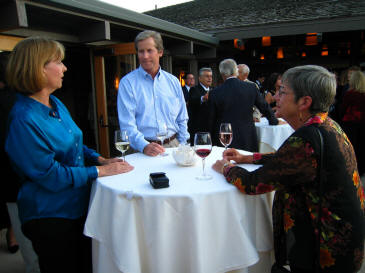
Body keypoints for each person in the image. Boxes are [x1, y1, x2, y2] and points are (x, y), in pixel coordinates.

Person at [212, 65, 365, 273]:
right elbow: (286, 160)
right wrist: (247, 157)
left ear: (304, 102)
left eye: (282, 91)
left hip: (325, 251)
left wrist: (226, 168)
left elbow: (253, 183)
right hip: (344, 242)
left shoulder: (306, 139)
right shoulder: (326, 125)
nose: (275, 97)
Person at [5, 37, 134, 273]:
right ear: (38, 67)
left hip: (78, 206)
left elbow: (76, 142)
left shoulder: (55, 103)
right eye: (58, 62)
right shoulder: (23, 119)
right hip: (50, 216)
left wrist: (99, 158)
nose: (64, 68)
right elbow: (49, 174)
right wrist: (100, 171)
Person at [117, 30, 189, 156]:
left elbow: (182, 118)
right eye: (141, 51)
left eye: (149, 50)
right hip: (141, 150)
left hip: (173, 146)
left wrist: (182, 144)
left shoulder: (173, 82)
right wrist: (144, 146)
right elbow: (127, 125)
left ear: (160, 52)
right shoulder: (127, 83)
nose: (145, 56)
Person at [209, 59, 279, 152]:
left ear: (221, 73)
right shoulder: (250, 87)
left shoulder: (215, 93)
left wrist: (210, 141)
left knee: (226, 165)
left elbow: (211, 119)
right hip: (247, 137)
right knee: (248, 165)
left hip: (224, 138)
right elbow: (264, 107)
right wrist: (274, 121)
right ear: (236, 71)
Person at [340, 70, 365, 177]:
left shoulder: (350, 94)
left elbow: (342, 109)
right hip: (363, 125)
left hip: (350, 124)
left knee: (351, 149)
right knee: (362, 148)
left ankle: (353, 169)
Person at [188, 67, 213, 143]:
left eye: (211, 76)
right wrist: (203, 98)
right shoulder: (194, 89)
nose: (209, 78)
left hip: (211, 128)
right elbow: (192, 101)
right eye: (207, 76)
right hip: (198, 129)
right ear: (200, 78)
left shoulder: (214, 89)